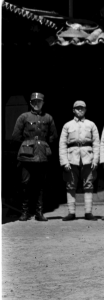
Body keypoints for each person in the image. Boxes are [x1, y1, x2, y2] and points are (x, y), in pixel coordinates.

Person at [11, 92, 58, 222]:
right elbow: (16, 136)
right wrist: (27, 144)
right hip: (26, 155)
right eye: (34, 102)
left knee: (41, 184)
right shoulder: (23, 117)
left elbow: (53, 137)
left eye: (39, 102)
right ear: (31, 103)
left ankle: (39, 212)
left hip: (42, 155)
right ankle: (25, 212)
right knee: (25, 183)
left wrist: (42, 145)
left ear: (43, 103)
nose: (37, 104)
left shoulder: (48, 118)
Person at [58, 100, 100, 221]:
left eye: (82, 108)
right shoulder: (67, 125)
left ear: (85, 110)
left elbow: (96, 143)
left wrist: (95, 160)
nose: (80, 110)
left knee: (89, 184)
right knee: (70, 185)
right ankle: (71, 212)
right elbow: (62, 145)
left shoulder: (91, 125)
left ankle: (88, 212)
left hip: (88, 158)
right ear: (73, 110)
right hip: (72, 158)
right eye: (77, 108)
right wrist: (64, 162)